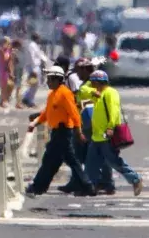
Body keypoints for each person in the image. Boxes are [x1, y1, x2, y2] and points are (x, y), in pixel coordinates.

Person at [25, 66, 97, 197]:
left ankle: (38, 186)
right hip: (57, 132)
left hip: (64, 132)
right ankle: (39, 187)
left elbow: (74, 114)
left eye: (50, 79)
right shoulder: (52, 94)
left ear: (58, 79)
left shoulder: (65, 93)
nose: (47, 82)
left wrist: (79, 132)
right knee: (52, 161)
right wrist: (35, 123)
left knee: (64, 160)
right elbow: (47, 113)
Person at [58, 58, 113, 194]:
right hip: (85, 123)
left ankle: (101, 182)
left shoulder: (91, 85)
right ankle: (82, 181)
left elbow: (97, 100)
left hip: (91, 125)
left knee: (88, 154)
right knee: (82, 154)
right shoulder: (86, 84)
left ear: (85, 70)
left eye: (78, 70)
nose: (76, 74)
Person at [86, 70, 143, 196]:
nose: (91, 85)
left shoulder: (110, 93)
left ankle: (135, 179)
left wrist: (110, 127)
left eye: (93, 82)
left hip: (106, 135)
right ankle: (92, 186)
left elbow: (113, 111)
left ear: (98, 82)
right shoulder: (98, 94)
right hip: (97, 136)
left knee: (113, 161)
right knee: (91, 163)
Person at [22, 33, 48, 108]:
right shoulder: (32, 46)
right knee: (34, 84)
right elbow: (32, 57)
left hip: (36, 67)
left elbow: (40, 55)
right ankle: (30, 101)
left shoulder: (35, 45)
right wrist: (33, 69)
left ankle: (26, 98)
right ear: (36, 38)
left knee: (35, 84)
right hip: (33, 67)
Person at [0, 37, 13, 108]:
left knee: (8, 86)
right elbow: (5, 59)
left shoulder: (8, 50)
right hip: (3, 70)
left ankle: (4, 100)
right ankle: (4, 101)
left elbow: (10, 62)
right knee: (4, 87)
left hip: (7, 71)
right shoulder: (1, 50)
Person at [11, 39, 25, 109]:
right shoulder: (14, 52)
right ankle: (18, 103)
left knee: (18, 88)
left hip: (19, 71)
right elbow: (13, 63)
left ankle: (18, 102)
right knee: (18, 88)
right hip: (17, 71)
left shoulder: (19, 52)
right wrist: (12, 73)